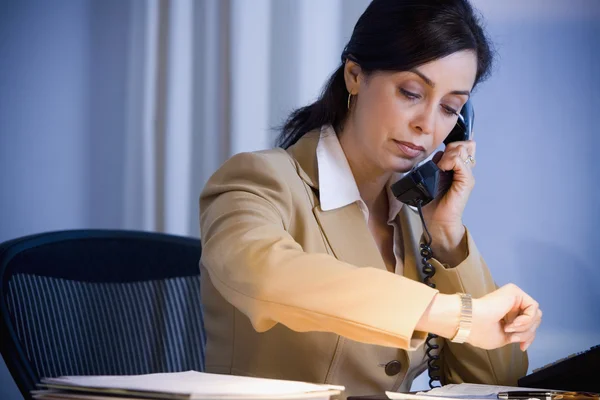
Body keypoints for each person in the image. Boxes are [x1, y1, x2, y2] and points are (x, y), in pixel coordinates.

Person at [199, 0, 542, 397]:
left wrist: (447, 237)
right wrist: (455, 315)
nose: (428, 125)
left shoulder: (417, 220)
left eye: (450, 108)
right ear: (355, 75)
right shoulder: (258, 181)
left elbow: (498, 382)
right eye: (411, 92)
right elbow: (265, 275)